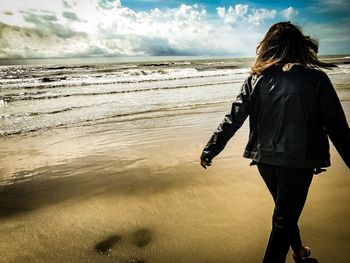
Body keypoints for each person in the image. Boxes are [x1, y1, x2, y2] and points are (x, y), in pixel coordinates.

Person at [200, 21, 350, 263]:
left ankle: (299, 252)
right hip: (297, 162)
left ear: (269, 46)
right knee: (283, 219)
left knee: (284, 213)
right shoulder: (316, 79)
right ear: (300, 47)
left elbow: (233, 118)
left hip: (265, 161)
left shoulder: (255, 80)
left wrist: (211, 149)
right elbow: (339, 130)